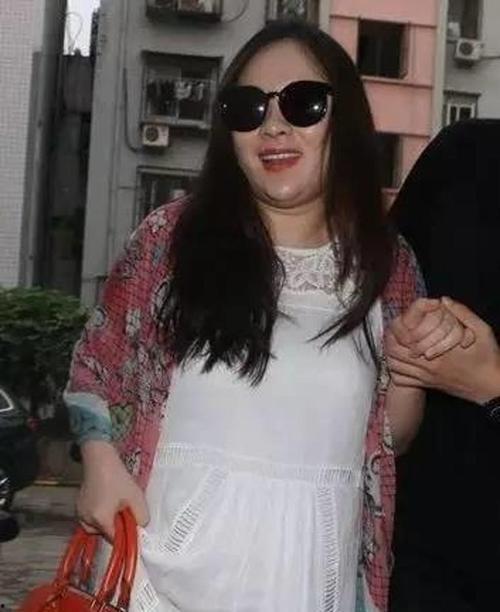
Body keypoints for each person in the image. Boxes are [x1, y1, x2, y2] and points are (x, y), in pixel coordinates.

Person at [64, 21, 463, 612]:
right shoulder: (171, 239)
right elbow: (96, 367)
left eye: (303, 104)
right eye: (247, 108)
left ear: (346, 120)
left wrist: (413, 360)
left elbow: (389, 439)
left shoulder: (388, 263)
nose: (273, 126)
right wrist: (100, 465)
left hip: (311, 583)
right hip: (159, 581)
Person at [386, 119, 500, 612]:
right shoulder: (465, 154)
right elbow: (384, 288)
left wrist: (488, 384)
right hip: (416, 560)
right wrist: (406, 338)